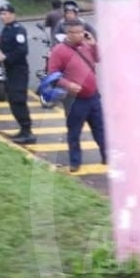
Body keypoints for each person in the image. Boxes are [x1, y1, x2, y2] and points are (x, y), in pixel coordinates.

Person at [46, 18, 105, 173]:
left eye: (81, 31)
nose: (80, 35)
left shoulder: (86, 46)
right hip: (75, 100)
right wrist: (67, 85)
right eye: (76, 32)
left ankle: (106, 155)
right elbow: (53, 74)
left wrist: (94, 45)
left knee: (100, 128)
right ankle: (75, 162)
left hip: (93, 96)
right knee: (74, 132)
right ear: (68, 33)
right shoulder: (59, 51)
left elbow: (98, 59)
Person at [0, 2, 35, 144]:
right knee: (12, 100)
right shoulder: (6, 29)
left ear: (12, 14)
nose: (2, 17)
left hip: (19, 70)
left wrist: (6, 57)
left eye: (5, 14)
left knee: (18, 99)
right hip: (10, 70)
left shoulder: (18, 30)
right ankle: (22, 130)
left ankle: (27, 131)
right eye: (1, 14)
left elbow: (22, 50)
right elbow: (7, 46)